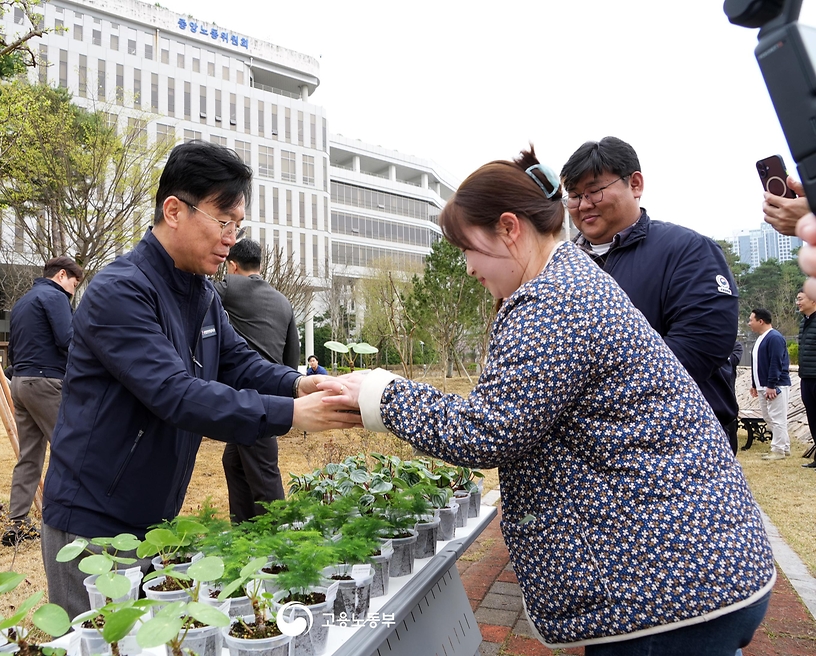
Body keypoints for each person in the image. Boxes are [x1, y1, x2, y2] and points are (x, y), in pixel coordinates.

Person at [320, 148, 774, 655]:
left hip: (664, 588)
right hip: (697, 567)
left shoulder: (551, 300)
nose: (469, 268)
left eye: (468, 248)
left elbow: (490, 429)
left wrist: (381, 395)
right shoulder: (573, 278)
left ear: (510, 228)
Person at [40, 140, 359, 619]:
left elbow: (238, 363)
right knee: (99, 642)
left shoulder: (202, 295)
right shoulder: (120, 291)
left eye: (238, 225)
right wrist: (292, 414)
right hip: (93, 521)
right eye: (223, 221)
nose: (231, 237)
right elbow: (174, 393)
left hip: (153, 516)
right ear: (174, 210)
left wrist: (297, 385)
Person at [559, 137, 740, 441]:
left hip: (679, 438)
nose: (583, 204)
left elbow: (701, 345)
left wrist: (597, 393)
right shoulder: (563, 265)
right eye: (574, 195)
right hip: (597, 445)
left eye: (594, 191)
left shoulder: (687, 250)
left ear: (636, 184)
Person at [214, 238, 299, 523]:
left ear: (233, 265)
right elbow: (292, 356)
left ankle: (276, 545)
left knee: (264, 475)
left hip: (250, 398)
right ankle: (244, 530)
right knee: (234, 462)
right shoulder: (283, 302)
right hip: (273, 392)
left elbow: (201, 297)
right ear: (260, 265)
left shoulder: (229, 287)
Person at [2, 255, 82, 547]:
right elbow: (67, 339)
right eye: (74, 283)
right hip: (46, 382)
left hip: (20, 382)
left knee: (30, 455)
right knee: (70, 448)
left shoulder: (24, 301)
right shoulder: (55, 296)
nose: (73, 290)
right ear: (62, 275)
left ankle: (17, 523)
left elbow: (14, 347)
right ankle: (74, 522)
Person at [748, 308, 793, 460]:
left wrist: (772, 385)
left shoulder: (774, 337)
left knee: (777, 417)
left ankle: (778, 450)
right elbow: (757, 364)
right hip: (762, 385)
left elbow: (776, 362)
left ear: (761, 321)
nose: (749, 323)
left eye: (751, 320)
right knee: (769, 417)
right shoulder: (761, 338)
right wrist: (755, 384)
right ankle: (784, 446)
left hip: (775, 385)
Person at [796, 290, 816, 468]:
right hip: (806, 378)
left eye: (800, 299)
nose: (798, 302)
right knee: (813, 418)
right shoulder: (804, 323)